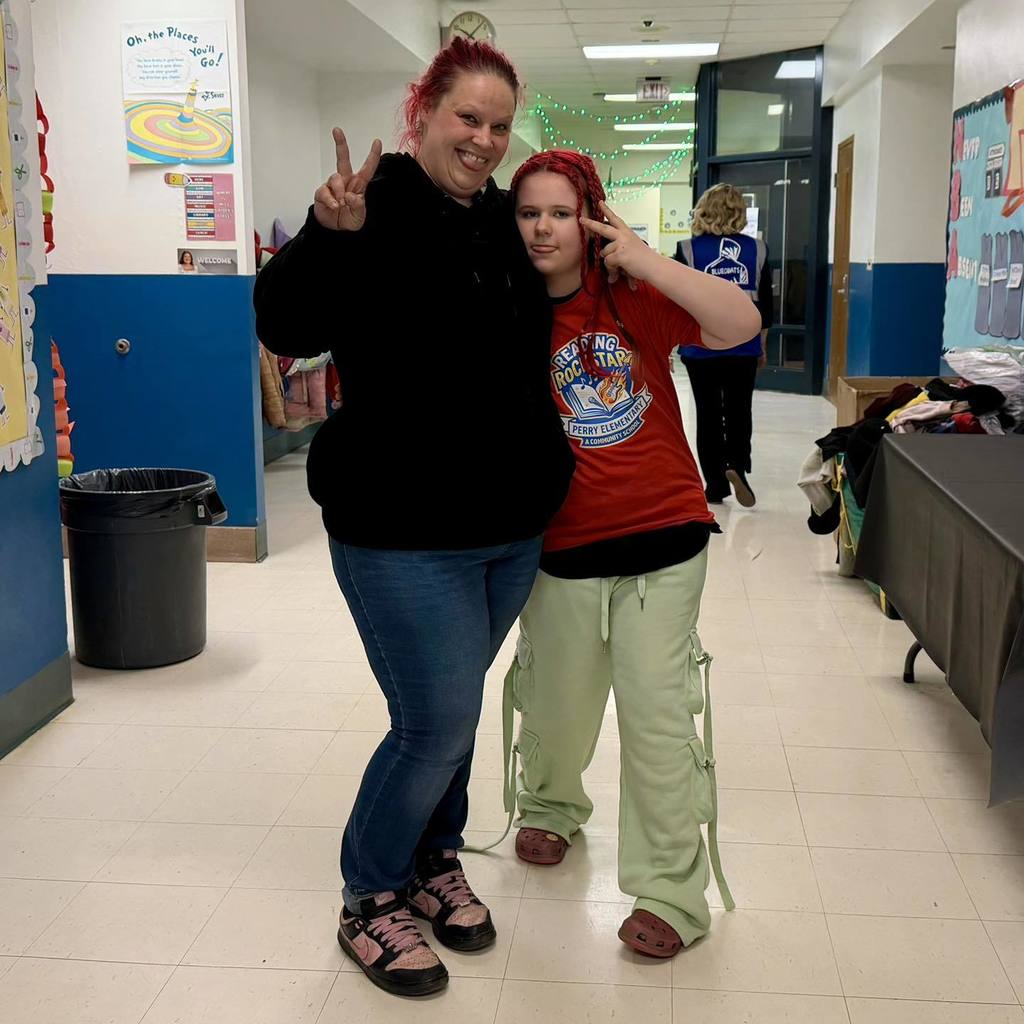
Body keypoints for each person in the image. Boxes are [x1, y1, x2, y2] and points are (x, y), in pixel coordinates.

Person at [253, 39, 573, 998]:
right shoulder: (369, 204)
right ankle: (371, 895)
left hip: (510, 526)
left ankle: (436, 861)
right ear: (423, 111)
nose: (483, 139)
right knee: (433, 720)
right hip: (399, 529)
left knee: (458, 709)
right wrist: (326, 236)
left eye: (500, 125)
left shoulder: (503, 222)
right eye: (467, 117)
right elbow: (285, 327)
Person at [505, 150, 759, 958]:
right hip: (560, 546)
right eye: (528, 213)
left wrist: (646, 259)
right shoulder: (508, 313)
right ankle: (551, 805)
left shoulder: (634, 297)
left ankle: (671, 893)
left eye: (561, 213)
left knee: (656, 722)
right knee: (557, 703)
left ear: (591, 220)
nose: (544, 229)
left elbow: (740, 325)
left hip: (664, 539)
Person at [673, 183, 772, 507]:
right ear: (739, 212)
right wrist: (762, 345)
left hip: (700, 347)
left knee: (708, 414)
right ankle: (737, 466)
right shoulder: (757, 250)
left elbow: (675, 301)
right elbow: (766, 306)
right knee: (740, 410)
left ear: (703, 210)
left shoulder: (687, 250)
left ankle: (715, 485)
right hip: (743, 346)